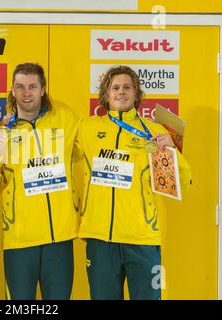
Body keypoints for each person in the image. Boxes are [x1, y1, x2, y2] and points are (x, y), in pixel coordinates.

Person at [78, 65, 192, 300]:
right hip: (101, 239)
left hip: (142, 238)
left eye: (127, 87)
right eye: (115, 87)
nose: (121, 92)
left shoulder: (154, 132)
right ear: (106, 94)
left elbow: (182, 181)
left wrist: (171, 151)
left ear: (136, 93)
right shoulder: (87, 128)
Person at [0, 63, 82, 299]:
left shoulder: (66, 119)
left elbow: (99, 141)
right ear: (12, 90)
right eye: (20, 87)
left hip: (58, 238)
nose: (26, 93)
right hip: (19, 240)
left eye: (32, 86)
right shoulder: (1, 133)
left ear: (42, 89)